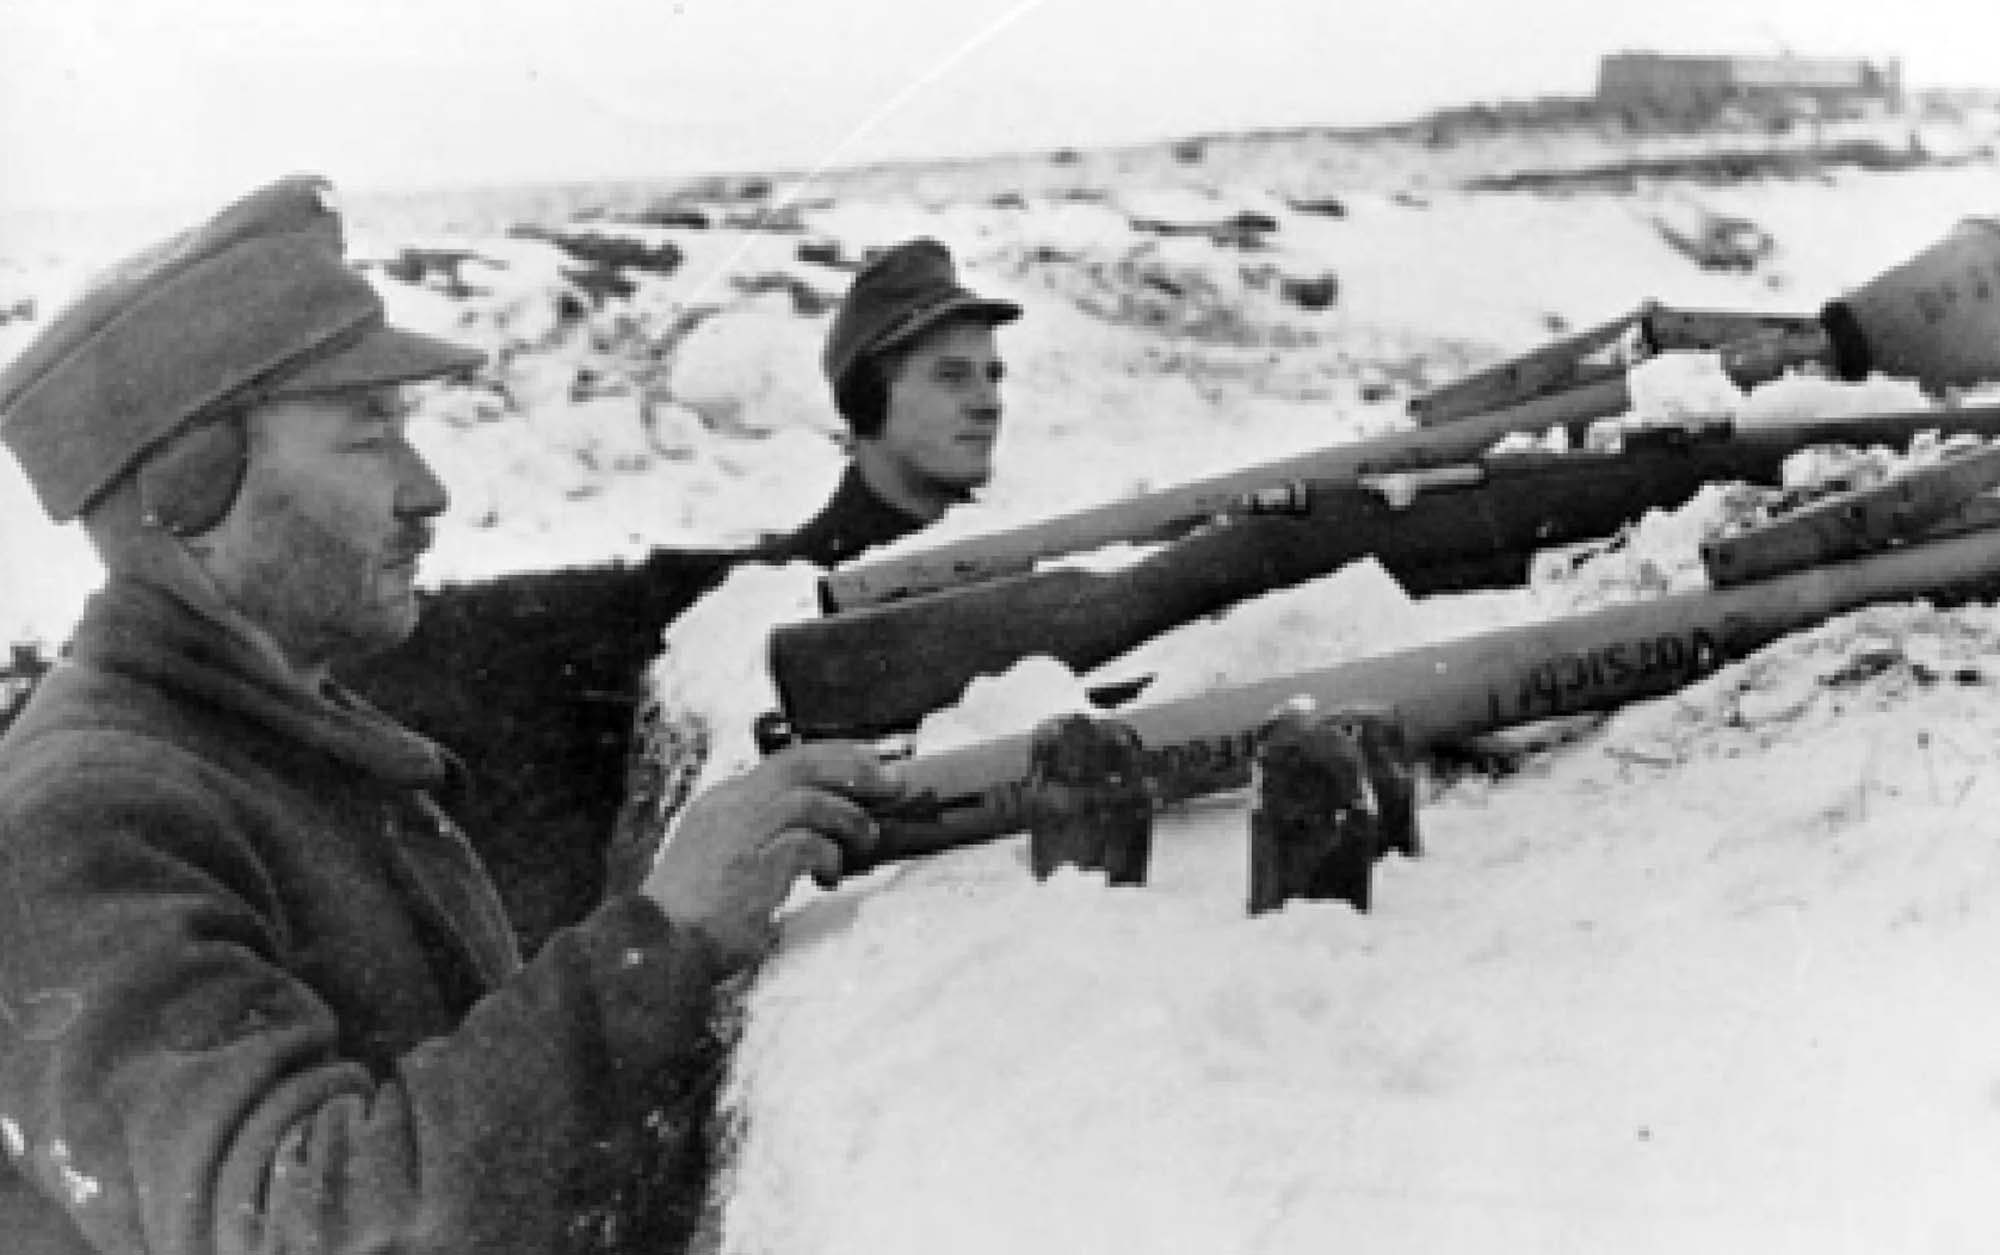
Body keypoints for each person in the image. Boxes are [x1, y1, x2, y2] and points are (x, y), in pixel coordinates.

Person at [0, 175, 900, 1254]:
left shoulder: (262, 744)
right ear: (190, 490)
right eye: (366, 436)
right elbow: (300, 1222)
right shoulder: (87, 817)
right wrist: (663, 943)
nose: (426, 492)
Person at [768, 237, 1021, 567]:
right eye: (952, 376)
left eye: (993, 376)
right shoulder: (792, 586)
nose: (989, 404)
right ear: (868, 398)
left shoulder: (1015, 556)